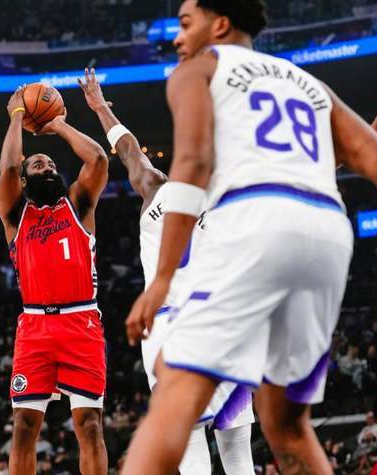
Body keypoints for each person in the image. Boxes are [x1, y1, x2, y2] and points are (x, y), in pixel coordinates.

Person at [122, 0, 377, 473]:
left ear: (220, 24)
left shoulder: (196, 71)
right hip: (327, 233)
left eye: (186, 24)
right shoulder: (308, 82)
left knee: (172, 399)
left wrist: (161, 279)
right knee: (286, 425)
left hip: (256, 223)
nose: (177, 38)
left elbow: (192, 163)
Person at [79, 67, 255, 474]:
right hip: (218, 322)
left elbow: (127, 149)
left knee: (193, 444)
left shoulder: (157, 187)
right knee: (236, 450)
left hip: (170, 328)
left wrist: (101, 107)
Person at [0, 86, 109, 475]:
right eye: (38, 165)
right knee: (24, 429)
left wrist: (57, 123)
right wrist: (17, 115)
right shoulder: (16, 215)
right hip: (35, 327)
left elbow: (97, 158)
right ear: (25, 180)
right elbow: (8, 168)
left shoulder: (78, 204)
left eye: (51, 164)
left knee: (90, 425)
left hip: (81, 322)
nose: (47, 167)